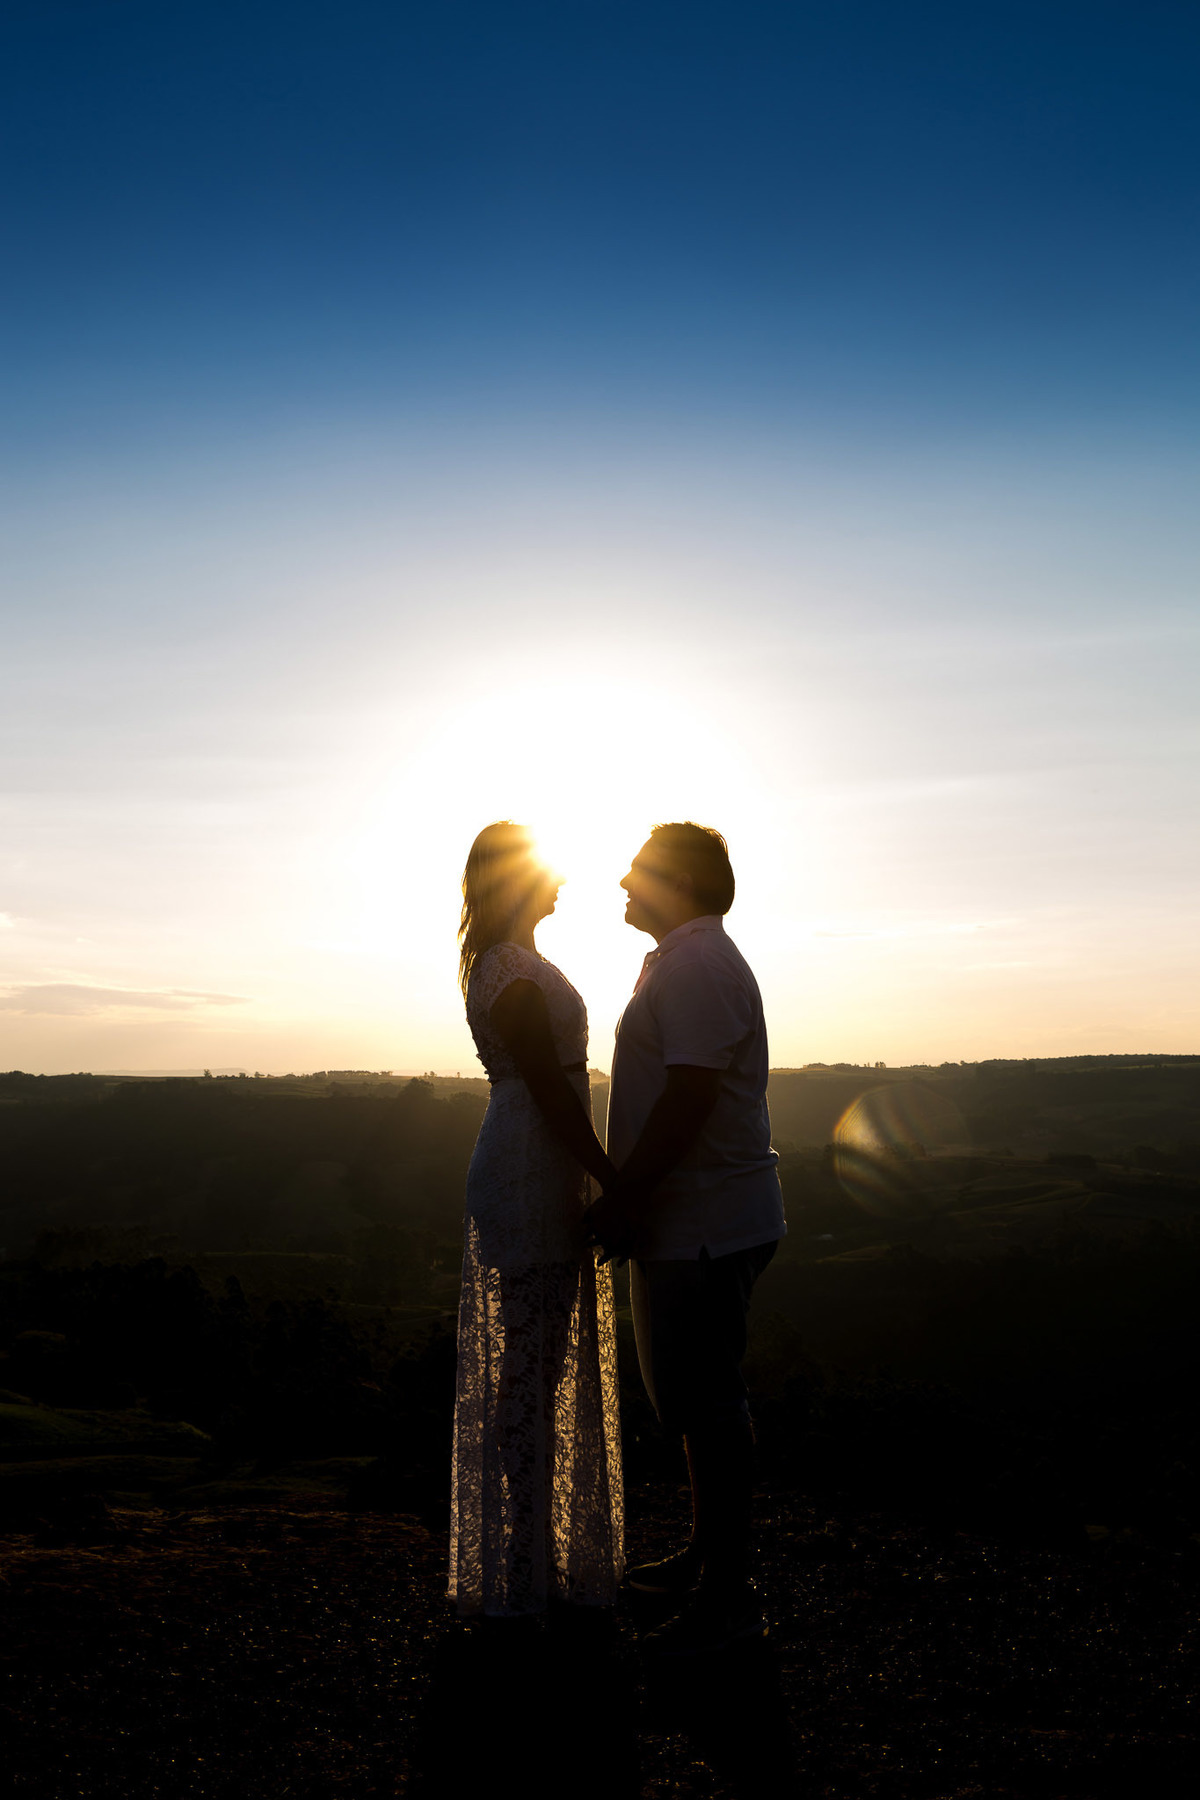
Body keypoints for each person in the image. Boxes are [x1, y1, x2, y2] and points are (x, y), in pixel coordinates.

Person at [585, 822, 785, 1655]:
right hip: (692, 1219)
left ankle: (729, 1601)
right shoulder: (680, 959)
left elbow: (689, 1099)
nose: (621, 884)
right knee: (696, 1403)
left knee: (709, 1401)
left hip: (705, 1222)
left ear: (681, 883)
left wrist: (624, 1195)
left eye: (636, 872)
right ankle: (707, 1559)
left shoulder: (699, 966)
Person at [449, 821, 624, 1619]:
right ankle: (523, 1560)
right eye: (546, 870)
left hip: (533, 1162)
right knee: (530, 1361)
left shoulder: (512, 963)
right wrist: (608, 1175)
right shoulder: (509, 969)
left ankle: (533, 1550)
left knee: (539, 1358)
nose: (561, 881)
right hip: (529, 1167)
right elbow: (553, 1092)